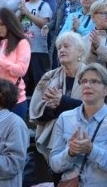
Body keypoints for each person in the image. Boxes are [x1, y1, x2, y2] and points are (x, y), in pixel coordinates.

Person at [30, 32, 87, 161]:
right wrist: (50, 108)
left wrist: (62, 101)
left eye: (66, 46)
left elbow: (94, 108)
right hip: (53, 139)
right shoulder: (49, 77)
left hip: (83, 138)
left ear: (79, 52)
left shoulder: (91, 76)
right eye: (59, 47)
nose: (61, 50)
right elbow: (36, 113)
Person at [0, 8, 31, 119]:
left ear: (10, 23)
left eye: (1, 24)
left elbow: (21, 70)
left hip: (14, 101)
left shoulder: (22, 43)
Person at [18, 0, 52, 92]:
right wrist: (21, 11)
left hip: (38, 49)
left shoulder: (43, 5)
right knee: (25, 80)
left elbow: (44, 23)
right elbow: (15, 23)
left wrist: (27, 13)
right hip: (24, 49)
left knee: (38, 79)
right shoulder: (24, 5)